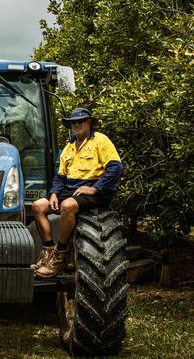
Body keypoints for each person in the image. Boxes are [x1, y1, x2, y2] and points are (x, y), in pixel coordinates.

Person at [31, 108, 124, 278]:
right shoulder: (69, 147)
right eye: (73, 122)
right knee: (38, 206)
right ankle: (48, 251)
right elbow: (61, 176)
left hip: (95, 192)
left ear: (89, 123)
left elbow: (116, 167)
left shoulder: (100, 141)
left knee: (67, 206)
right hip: (72, 189)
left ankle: (60, 255)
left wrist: (95, 188)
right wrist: (53, 194)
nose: (76, 125)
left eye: (80, 121)